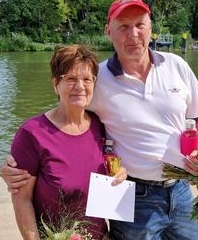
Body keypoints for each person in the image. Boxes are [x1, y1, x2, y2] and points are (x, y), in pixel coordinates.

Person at [2, 0, 198, 240]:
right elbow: (64, 115)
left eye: (139, 25)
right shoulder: (96, 77)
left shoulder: (177, 65)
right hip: (134, 196)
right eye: (123, 27)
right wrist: (19, 160)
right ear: (108, 32)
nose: (133, 34)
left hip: (181, 191)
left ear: (151, 28)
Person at [9, 44, 127, 240]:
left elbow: (107, 164)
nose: (80, 87)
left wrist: (120, 173)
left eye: (87, 79)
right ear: (56, 83)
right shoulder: (32, 133)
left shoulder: (100, 124)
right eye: (71, 79)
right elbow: (21, 199)